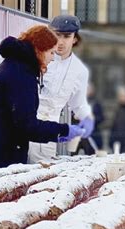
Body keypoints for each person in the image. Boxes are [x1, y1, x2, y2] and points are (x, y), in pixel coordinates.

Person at [0, 25, 84, 172]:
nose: (53, 59)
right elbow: (27, 125)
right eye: (51, 53)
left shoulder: (17, 66)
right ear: (40, 49)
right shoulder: (21, 74)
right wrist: (64, 130)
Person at [28, 15, 94, 163]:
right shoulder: (37, 57)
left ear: (75, 39)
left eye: (66, 36)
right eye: (57, 35)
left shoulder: (80, 71)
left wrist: (87, 118)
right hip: (25, 126)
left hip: (49, 135)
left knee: (40, 176)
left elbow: (78, 103)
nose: (61, 41)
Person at [74, 83, 105, 155]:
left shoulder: (96, 103)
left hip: (93, 134)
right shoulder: (77, 103)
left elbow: (101, 118)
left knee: (92, 154)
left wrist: (92, 118)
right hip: (79, 134)